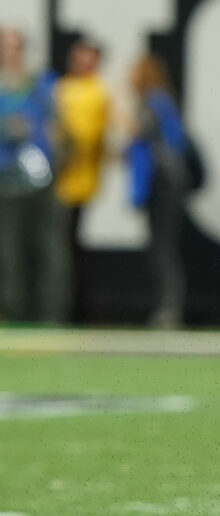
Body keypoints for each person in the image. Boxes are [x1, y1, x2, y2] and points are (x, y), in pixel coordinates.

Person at [0, 26, 66, 323]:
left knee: (49, 247)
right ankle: (13, 310)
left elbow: (57, 128)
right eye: (4, 45)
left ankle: (52, 312)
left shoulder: (42, 85)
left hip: (41, 177)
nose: (8, 51)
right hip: (5, 179)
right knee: (8, 249)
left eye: (13, 46)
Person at [127, 53, 189, 328]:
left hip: (160, 185)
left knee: (162, 249)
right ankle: (168, 306)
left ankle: (169, 308)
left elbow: (140, 134)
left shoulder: (153, 103)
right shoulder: (164, 102)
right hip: (166, 184)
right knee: (163, 248)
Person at [54, 38, 110, 323]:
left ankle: (77, 310)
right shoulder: (64, 87)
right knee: (65, 247)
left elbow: (83, 139)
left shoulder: (97, 91)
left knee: (69, 247)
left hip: (76, 182)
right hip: (56, 182)